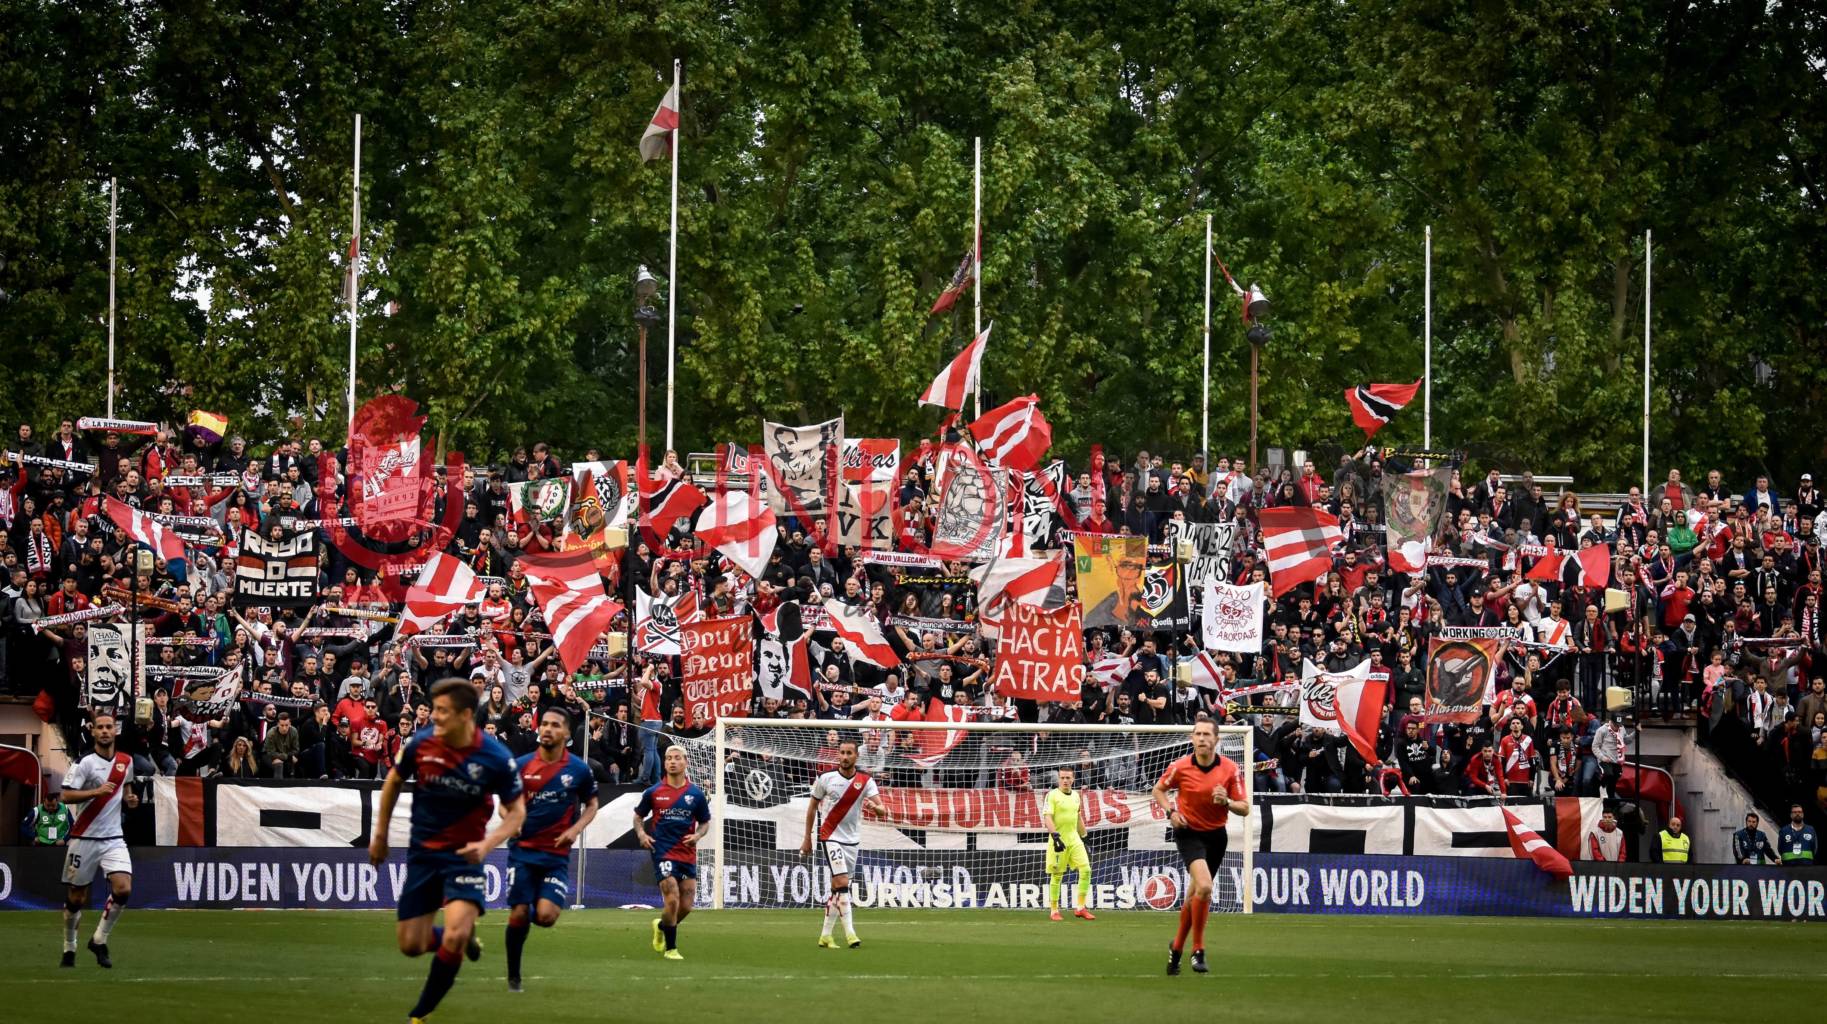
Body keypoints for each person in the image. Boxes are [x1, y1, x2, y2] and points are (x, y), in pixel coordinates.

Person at [369, 678, 526, 1024]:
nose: (435, 717)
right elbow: (394, 780)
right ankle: (463, 934)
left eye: (443, 711)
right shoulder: (421, 743)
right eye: (434, 710)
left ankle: (419, 1014)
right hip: (424, 853)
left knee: (453, 935)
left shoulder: (495, 757)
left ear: (466, 715)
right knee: (410, 944)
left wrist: (486, 845)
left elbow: (517, 813)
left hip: (465, 856)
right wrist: (379, 834)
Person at [503, 708, 599, 993]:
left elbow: (592, 805)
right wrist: (512, 820)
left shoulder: (579, 770)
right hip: (522, 851)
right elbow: (503, 802)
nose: (547, 729)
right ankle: (513, 977)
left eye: (555, 725)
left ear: (567, 733)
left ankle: (533, 903)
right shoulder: (520, 765)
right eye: (543, 724)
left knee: (545, 917)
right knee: (519, 913)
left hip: (556, 856)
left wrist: (575, 829)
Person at [1150, 719, 1247, 976]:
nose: (1202, 738)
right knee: (1204, 886)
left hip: (1216, 836)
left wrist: (1226, 801)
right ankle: (1198, 949)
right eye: (1197, 734)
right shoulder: (1180, 767)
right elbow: (1158, 790)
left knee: (1196, 894)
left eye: (1207, 734)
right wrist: (1171, 811)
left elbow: (1245, 807)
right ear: (1192, 739)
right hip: (1188, 833)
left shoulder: (1230, 769)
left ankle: (1177, 947)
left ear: (1216, 740)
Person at [58, 711, 139, 968]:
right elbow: (65, 796)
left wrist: (130, 799)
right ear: (93, 731)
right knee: (76, 898)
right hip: (84, 837)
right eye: (100, 727)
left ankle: (99, 939)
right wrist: (96, 791)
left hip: (113, 837)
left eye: (109, 727)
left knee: (123, 888)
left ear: (116, 731)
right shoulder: (85, 763)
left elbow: (126, 790)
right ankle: (69, 947)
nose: (105, 731)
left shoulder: (126, 761)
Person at [799, 738, 886, 949]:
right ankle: (851, 934)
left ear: (857, 756)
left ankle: (825, 936)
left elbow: (882, 809)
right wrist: (807, 837)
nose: (845, 757)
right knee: (843, 883)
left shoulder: (866, 781)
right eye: (842, 753)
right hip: (830, 836)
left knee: (838, 889)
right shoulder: (826, 778)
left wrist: (877, 809)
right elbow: (812, 808)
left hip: (852, 840)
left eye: (849, 753)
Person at [634, 745, 711, 960]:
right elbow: (638, 817)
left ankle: (661, 926)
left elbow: (705, 822)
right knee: (672, 898)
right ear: (665, 762)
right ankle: (671, 948)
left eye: (677, 758)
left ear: (686, 762)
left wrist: (698, 836)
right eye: (668, 758)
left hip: (686, 852)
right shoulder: (653, 792)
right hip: (662, 851)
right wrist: (641, 835)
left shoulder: (695, 794)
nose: (672, 762)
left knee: (686, 906)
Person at [1043, 765, 1095, 922]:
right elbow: (1047, 817)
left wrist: (1085, 837)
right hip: (1058, 840)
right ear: (1059, 779)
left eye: (1068, 778)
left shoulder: (1076, 796)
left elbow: (1078, 818)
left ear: (1073, 779)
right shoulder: (1052, 795)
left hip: (1074, 840)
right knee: (1057, 875)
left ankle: (1080, 908)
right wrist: (1055, 837)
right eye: (1062, 778)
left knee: (1086, 870)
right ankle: (1054, 910)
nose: (1065, 780)